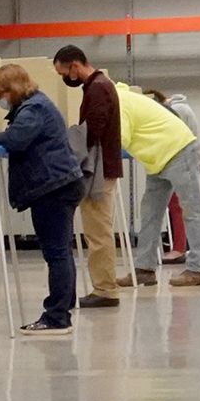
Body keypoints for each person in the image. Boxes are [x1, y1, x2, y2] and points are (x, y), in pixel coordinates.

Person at [0, 63, 85, 335]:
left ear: (13, 89)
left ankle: (57, 317)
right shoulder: (37, 104)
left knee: (55, 253)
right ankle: (64, 306)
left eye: (0, 92)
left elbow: (16, 140)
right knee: (61, 252)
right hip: (62, 183)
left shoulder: (33, 109)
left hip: (52, 188)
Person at [116, 82, 200, 289]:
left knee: (192, 210)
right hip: (156, 159)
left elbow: (120, 140)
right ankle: (145, 269)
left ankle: (198, 269)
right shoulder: (120, 99)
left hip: (178, 151)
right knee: (150, 212)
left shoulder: (119, 102)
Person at [52, 46, 124, 307]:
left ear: (74, 66)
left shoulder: (98, 88)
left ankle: (105, 289)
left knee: (98, 233)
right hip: (104, 167)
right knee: (98, 230)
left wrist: (69, 145)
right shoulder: (100, 85)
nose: (65, 79)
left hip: (99, 170)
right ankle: (104, 287)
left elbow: (92, 131)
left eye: (64, 72)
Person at [144, 88, 200, 264]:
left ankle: (179, 248)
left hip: (176, 159)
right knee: (182, 206)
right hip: (181, 159)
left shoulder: (176, 111)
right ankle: (181, 248)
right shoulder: (181, 107)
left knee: (180, 207)